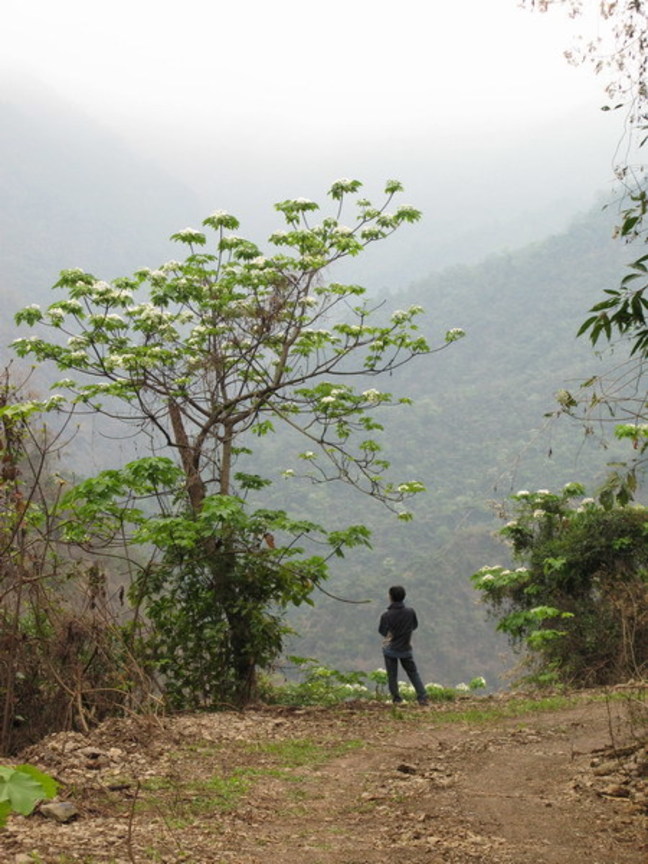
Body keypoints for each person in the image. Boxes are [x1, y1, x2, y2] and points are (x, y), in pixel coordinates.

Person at [378, 585, 429, 705]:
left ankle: (396, 698)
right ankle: (422, 697)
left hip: (390, 649)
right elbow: (414, 626)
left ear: (390, 597)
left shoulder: (386, 615)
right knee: (413, 672)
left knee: (392, 675)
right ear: (403, 597)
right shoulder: (410, 612)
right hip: (406, 648)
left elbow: (382, 632)